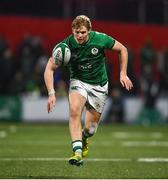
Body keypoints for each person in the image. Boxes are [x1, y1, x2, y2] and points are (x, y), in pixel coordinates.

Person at [44, 15, 133, 166]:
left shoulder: (100, 39)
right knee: (74, 110)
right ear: (72, 30)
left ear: (89, 31)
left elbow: (122, 49)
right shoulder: (65, 46)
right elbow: (49, 68)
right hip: (78, 82)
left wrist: (123, 73)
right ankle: (77, 152)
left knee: (90, 129)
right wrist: (51, 93)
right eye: (76, 32)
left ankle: (84, 139)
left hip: (99, 85)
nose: (79, 35)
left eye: (83, 32)